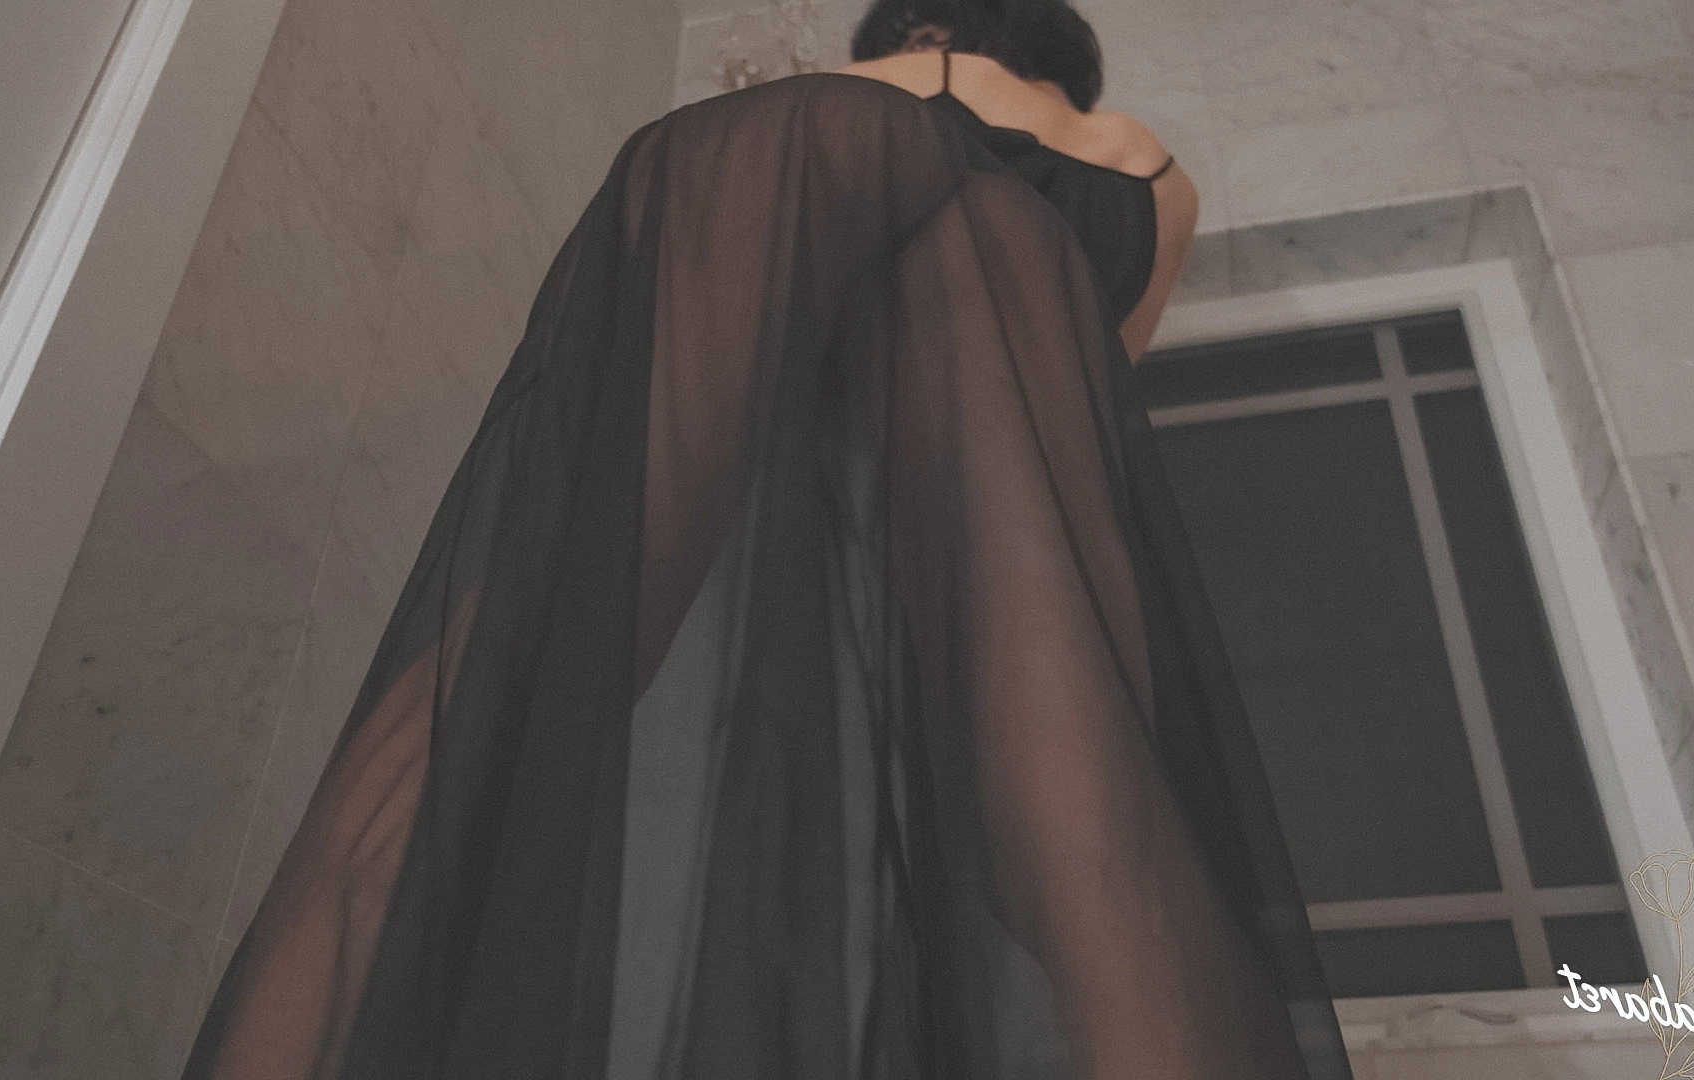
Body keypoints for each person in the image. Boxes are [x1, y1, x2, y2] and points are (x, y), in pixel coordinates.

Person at [178, 0, 1355, 1077]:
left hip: (789, 154)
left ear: (916, 32)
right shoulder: (1141, 165)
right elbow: (1085, 420)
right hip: (999, 298)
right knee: (1092, 845)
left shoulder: (874, 82)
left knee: (457, 739)